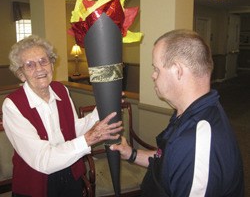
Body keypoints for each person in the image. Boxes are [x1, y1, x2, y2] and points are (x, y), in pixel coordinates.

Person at [111, 29, 244, 196]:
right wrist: (131, 153)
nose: (153, 75)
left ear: (177, 70)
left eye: (156, 68)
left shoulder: (196, 140)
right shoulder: (189, 112)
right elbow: (167, 159)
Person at [2, 35, 123, 197]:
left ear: (52, 65)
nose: (39, 69)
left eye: (43, 61)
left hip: (69, 173)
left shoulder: (61, 90)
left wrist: (103, 108)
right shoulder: (13, 104)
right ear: (21, 74)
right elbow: (42, 160)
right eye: (29, 65)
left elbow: (74, 129)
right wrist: (88, 139)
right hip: (35, 183)